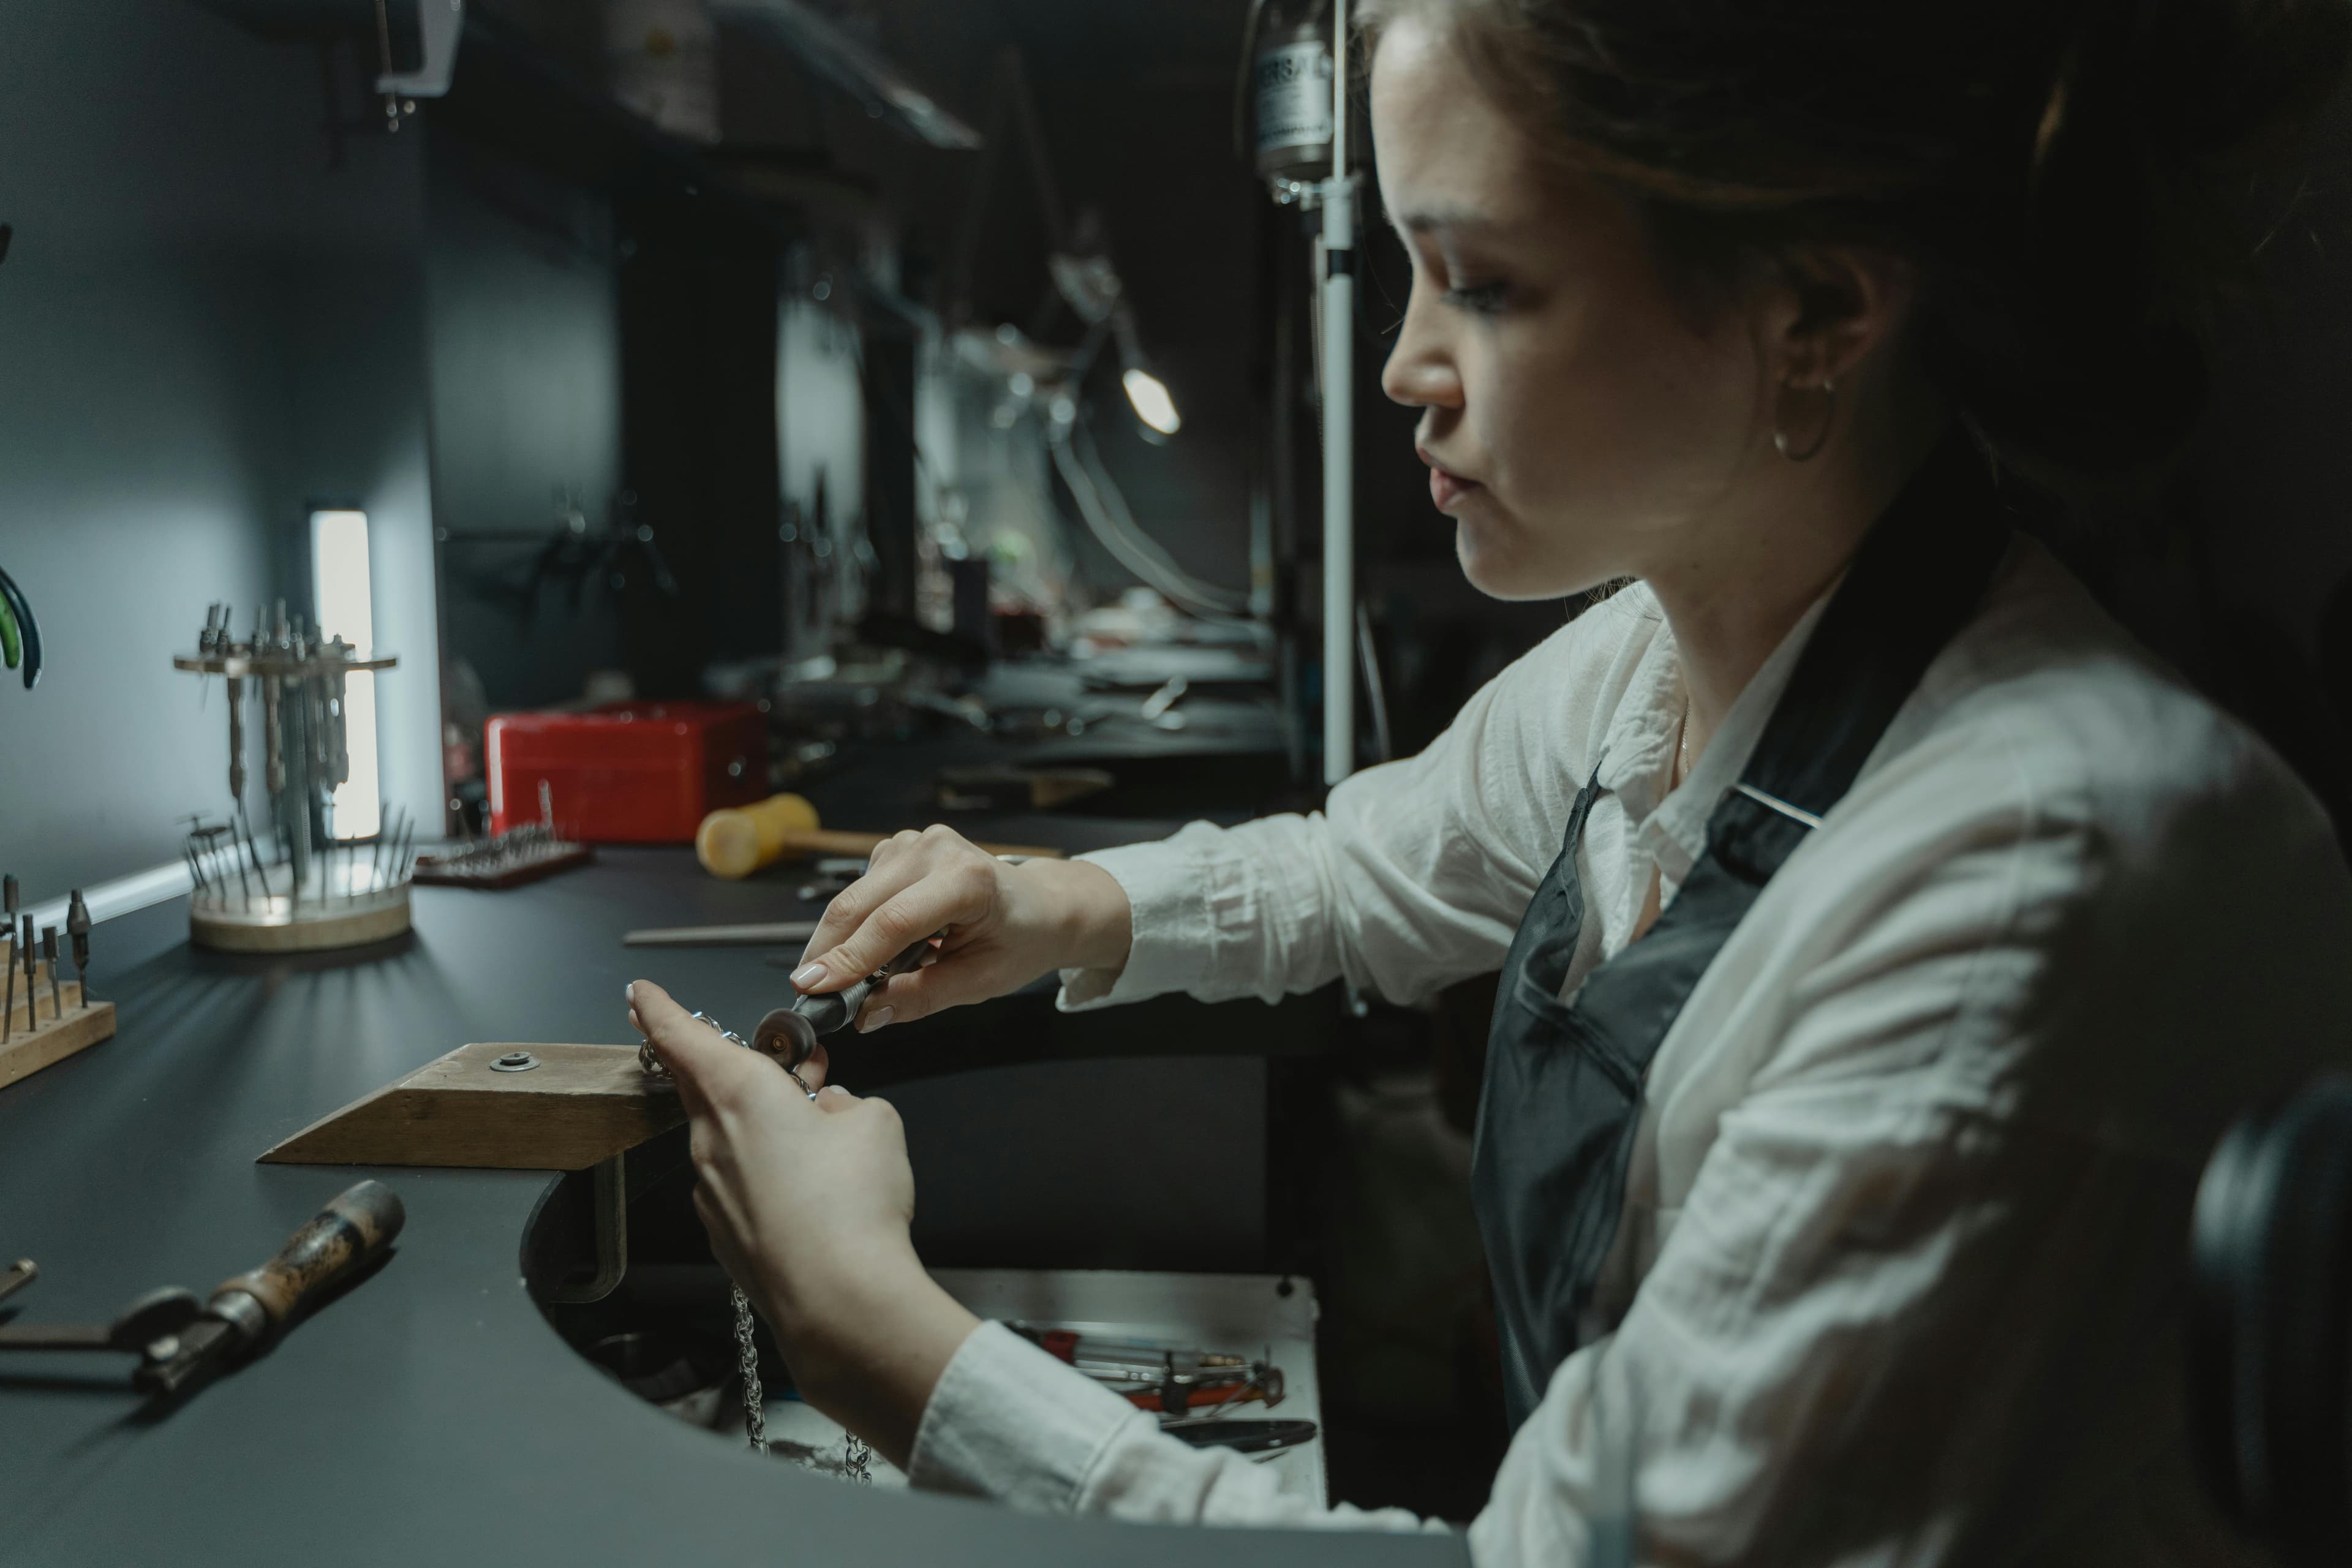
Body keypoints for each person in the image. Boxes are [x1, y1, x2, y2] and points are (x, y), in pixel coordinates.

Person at [627, 0, 2352, 1559]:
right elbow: (1377, 866)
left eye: (1486, 283)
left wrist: (887, 1343)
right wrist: (1059, 902)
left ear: (1816, 311)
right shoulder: (1679, 643)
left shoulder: (2026, 875)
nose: (1401, 367)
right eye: (1402, 271)